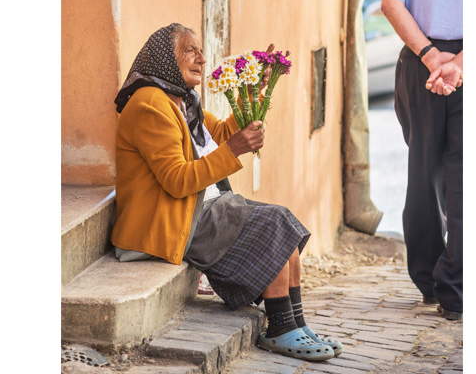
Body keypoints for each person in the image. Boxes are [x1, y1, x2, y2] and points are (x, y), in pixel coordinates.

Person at [110, 23, 342, 361]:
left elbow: (218, 133)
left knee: (282, 222)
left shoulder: (180, 100)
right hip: (170, 218)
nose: (201, 58)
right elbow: (176, 180)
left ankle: (296, 323)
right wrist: (233, 149)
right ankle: (280, 328)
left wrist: (257, 91)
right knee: (272, 222)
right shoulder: (150, 105)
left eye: (200, 50)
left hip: (197, 206)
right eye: (190, 50)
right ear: (164, 59)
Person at [369, 0, 463, 321]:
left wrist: (430, 57)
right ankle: (459, 290)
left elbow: (390, 3)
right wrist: (460, 62)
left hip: (418, 64)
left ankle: (427, 280)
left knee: (423, 171)